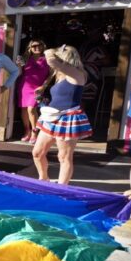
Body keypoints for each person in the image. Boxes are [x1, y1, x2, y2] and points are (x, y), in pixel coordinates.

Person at [31, 45, 90, 185]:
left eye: (59, 56)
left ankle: (62, 189)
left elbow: (51, 60)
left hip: (68, 117)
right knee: (37, 153)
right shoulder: (61, 75)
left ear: (65, 58)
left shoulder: (77, 73)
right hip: (52, 117)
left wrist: (48, 51)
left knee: (64, 156)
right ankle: (43, 179)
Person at [15, 39, 50, 143]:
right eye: (34, 46)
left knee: (31, 109)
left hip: (38, 88)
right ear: (29, 48)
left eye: (39, 45)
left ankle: (35, 132)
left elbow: (51, 75)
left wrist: (44, 86)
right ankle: (27, 131)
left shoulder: (47, 59)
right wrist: (19, 66)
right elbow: (20, 73)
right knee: (24, 109)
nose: (37, 47)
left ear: (43, 46)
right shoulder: (26, 59)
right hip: (24, 86)